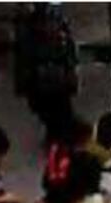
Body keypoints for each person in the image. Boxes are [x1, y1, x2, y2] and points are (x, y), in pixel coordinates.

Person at [15, 3, 78, 144]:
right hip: (40, 76)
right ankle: (56, 134)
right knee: (47, 109)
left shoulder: (58, 24)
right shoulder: (27, 30)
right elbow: (23, 57)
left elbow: (68, 48)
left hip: (56, 74)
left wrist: (70, 71)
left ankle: (61, 135)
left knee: (61, 108)